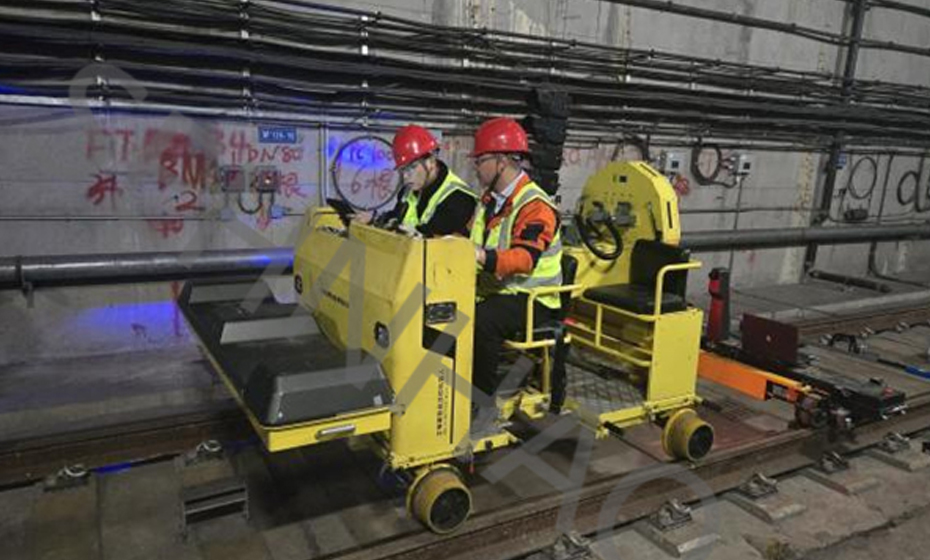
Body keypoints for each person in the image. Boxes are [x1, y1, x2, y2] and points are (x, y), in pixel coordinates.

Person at [469, 117, 563, 396]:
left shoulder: (535, 205)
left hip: (533, 298)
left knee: (481, 322)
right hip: (499, 289)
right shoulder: (489, 200)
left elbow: (525, 259)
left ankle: (479, 401)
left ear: (501, 161)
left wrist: (480, 256)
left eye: (480, 160)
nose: (476, 167)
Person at [354, 125, 476, 237]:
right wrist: (375, 219)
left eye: (412, 167)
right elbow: (397, 218)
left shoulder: (459, 198)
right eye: (403, 170)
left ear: (431, 161)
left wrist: (397, 230)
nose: (405, 176)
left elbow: (432, 237)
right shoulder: (408, 191)